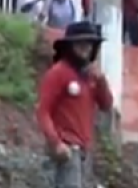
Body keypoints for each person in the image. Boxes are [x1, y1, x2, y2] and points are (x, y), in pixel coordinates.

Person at [35, 21, 112, 188]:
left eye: (89, 43)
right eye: (80, 43)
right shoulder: (58, 73)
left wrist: (101, 81)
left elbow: (106, 105)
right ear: (70, 46)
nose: (85, 48)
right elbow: (43, 111)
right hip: (67, 149)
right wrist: (56, 143)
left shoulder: (92, 76)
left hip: (84, 150)